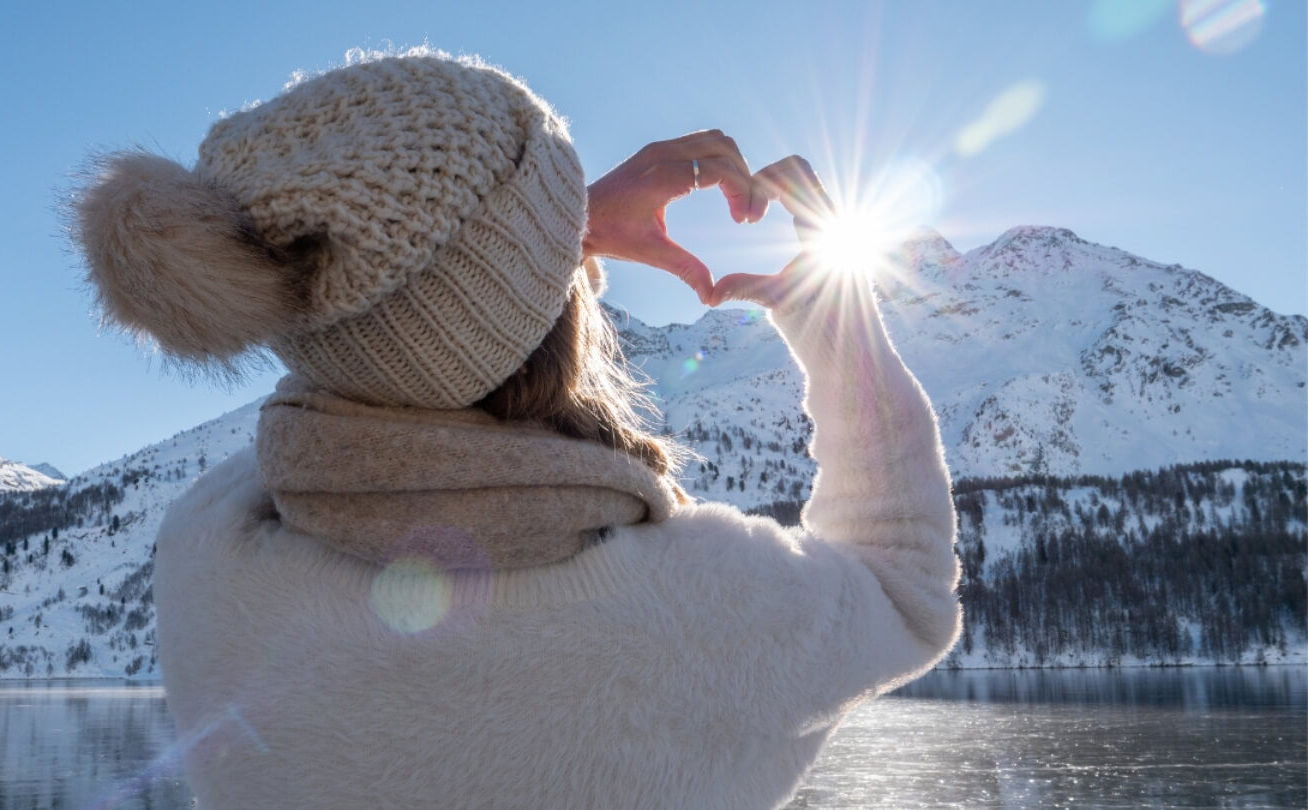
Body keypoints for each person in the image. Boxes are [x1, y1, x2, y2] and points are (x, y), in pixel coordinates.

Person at [73, 50, 959, 810]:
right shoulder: (707, 612)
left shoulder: (212, 564)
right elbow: (906, 587)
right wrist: (834, 323)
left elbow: (362, 370)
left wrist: (536, 245)